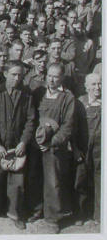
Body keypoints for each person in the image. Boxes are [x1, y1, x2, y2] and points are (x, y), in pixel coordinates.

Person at [0, 61, 36, 230]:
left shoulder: (27, 94)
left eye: (20, 75)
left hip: (17, 145)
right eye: (13, 74)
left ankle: (15, 212)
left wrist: (23, 141)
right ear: (6, 73)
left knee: (17, 180)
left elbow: (31, 120)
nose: (17, 78)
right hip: (0, 145)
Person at [33, 63, 76, 233]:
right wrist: (37, 141)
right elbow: (32, 116)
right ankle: (37, 210)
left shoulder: (68, 98)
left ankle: (53, 219)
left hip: (54, 147)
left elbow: (68, 126)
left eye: (55, 76)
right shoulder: (39, 93)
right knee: (34, 176)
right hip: (36, 143)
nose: (51, 79)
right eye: (49, 75)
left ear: (62, 78)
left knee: (53, 181)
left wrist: (53, 142)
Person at [75, 73, 101, 225]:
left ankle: (99, 214)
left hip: (100, 149)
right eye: (93, 84)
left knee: (100, 180)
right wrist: (76, 148)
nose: (97, 87)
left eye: (100, 84)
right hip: (83, 147)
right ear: (86, 87)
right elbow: (73, 128)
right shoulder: (80, 103)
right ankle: (81, 214)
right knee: (81, 180)